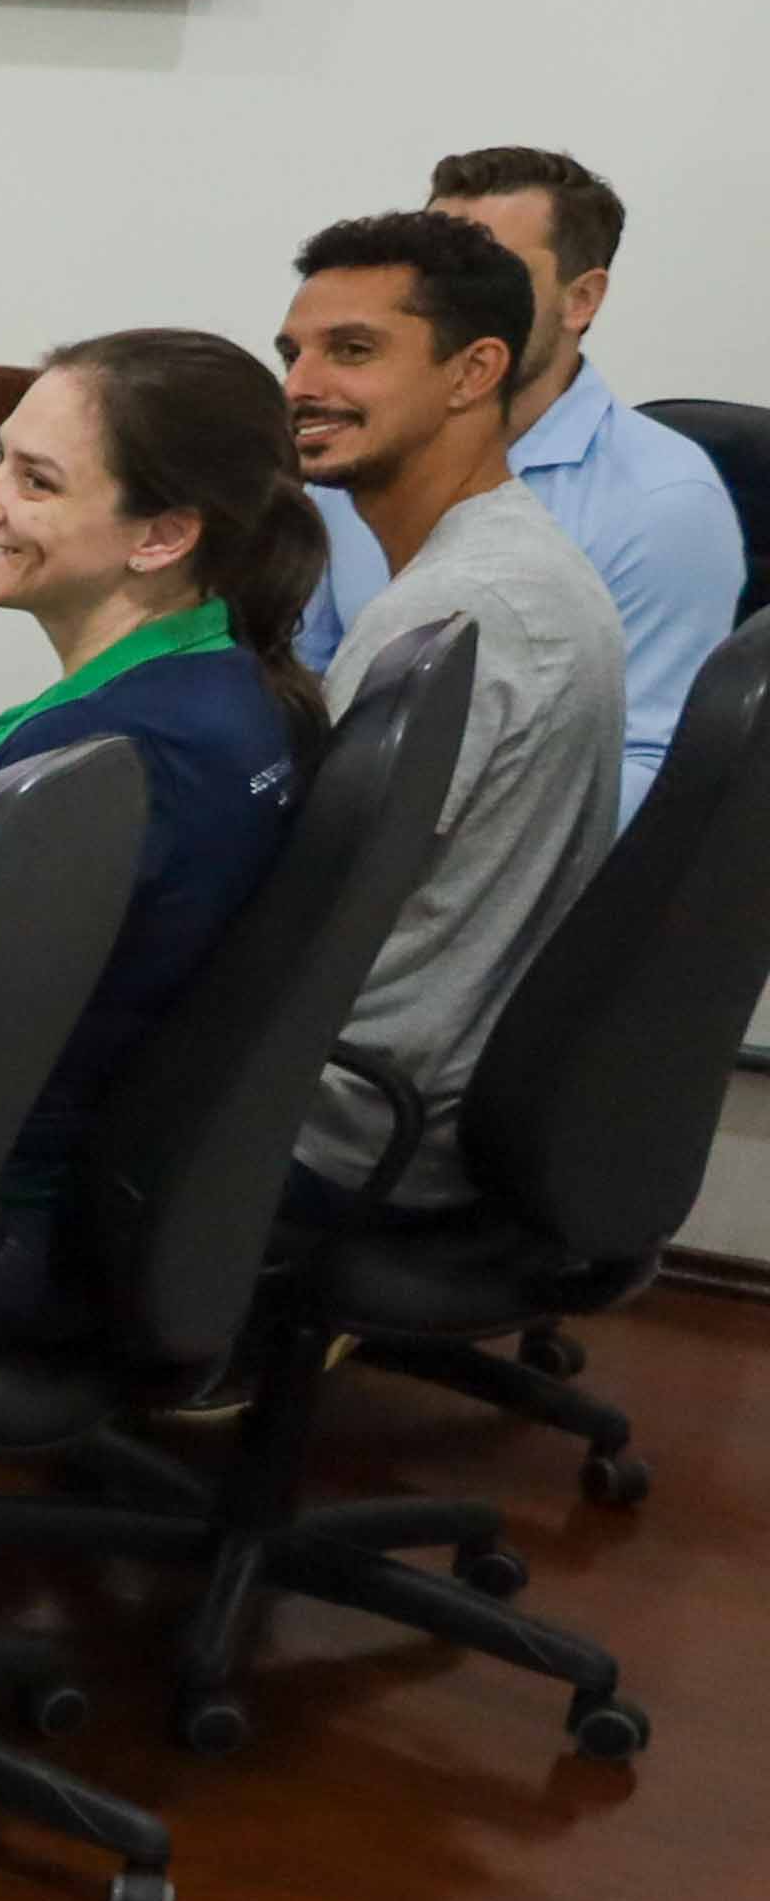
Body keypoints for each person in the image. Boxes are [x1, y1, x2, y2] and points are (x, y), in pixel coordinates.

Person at [0, 331, 322, 1332]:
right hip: (100, 1195)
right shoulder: (230, 687)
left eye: (35, 480)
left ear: (160, 536)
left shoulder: (108, 758)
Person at [275, 209, 626, 1207]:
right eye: (294, 353)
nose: (302, 385)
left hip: (345, 1134)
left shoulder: (462, 610)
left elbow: (300, 916)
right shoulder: (514, 560)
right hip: (404, 1104)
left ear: (474, 373)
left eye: (353, 351)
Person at [303, 147, 746, 808]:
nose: (450, 303)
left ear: (581, 299)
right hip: (350, 814)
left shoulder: (664, 502)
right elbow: (306, 673)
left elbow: (649, 763)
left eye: (492, 273)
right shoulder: (360, 447)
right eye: (433, 275)